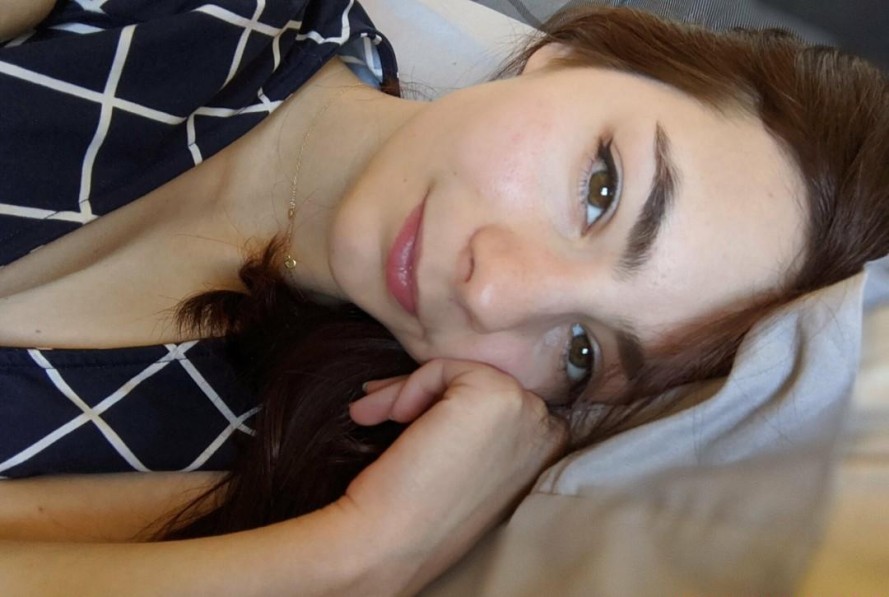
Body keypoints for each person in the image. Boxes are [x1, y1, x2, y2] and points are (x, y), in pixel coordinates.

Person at [1, 0, 887, 593]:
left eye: (579, 349)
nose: (494, 288)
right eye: (601, 190)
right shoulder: (206, 16)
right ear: (573, 56)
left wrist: (357, 554)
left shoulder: (275, 452)